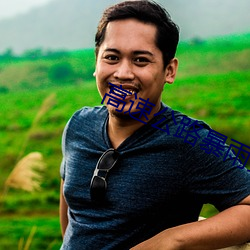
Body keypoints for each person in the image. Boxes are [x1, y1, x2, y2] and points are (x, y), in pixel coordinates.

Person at [59, 1, 250, 249]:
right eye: (112, 57)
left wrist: (171, 240)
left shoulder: (192, 140)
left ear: (169, 70)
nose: (123, 73)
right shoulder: (78, 125)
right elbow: (72, 216)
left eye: (140, 60)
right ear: (96, 62)